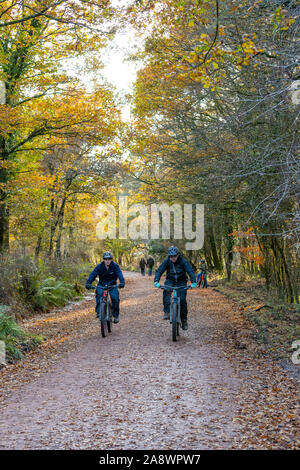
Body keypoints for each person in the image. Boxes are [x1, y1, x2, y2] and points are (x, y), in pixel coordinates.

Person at [154, 246, 197, 330]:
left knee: (182, 300)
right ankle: (166, 311)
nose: (173, 258)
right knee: (166, 291)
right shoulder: (167, 262)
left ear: (178, 255)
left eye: (174, 256)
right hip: (170, 280)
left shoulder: (183, 261)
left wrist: (193, 282)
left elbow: (190, 271)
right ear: (169, 256)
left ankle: (184, 320)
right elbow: (159, 271)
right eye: (171, 256)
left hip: (181, 281)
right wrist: (156, 280)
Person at [86, 251, 125, 323]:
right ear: (103, 260)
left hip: (112, 284)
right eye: (106, 259)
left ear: (111, 259)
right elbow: (93, 274)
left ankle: (115, 315)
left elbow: (120, 274)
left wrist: (122, 282)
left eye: (109, 259)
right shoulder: (99, 266)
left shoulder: (115, 266)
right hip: (102, 284)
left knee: (115, 298)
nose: (107, 261)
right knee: (99, 294)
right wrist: (88, 283)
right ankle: (98, 312)